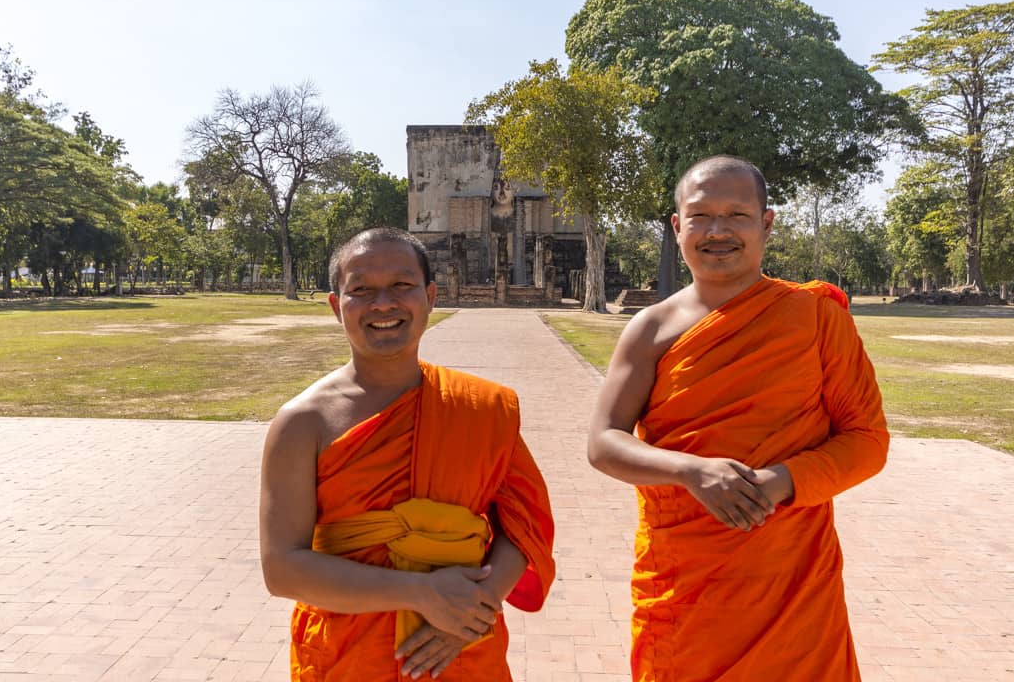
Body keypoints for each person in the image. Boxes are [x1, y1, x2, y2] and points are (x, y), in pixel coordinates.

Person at [587, 156, 889, 681]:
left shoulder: (815, 317)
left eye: (737, 215)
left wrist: (780, 483)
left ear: (765, 223)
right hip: (685, 584)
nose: (718, 231)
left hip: (792, 583)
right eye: (701, 216)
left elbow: (866, 441)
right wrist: (690, 471)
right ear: (677, 225)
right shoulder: (650, 329)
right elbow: (603, 442)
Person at [260, 227, 556, 681]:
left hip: (464, 648)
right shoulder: (304, 422)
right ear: (337, 306)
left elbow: (523, 523)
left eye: (402, 285)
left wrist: (473, 609)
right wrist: (423, 593)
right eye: (361, 290)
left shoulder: (479, 407)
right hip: (348, 655)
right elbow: (282, 569)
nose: (383, 304)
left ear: (430, 296)